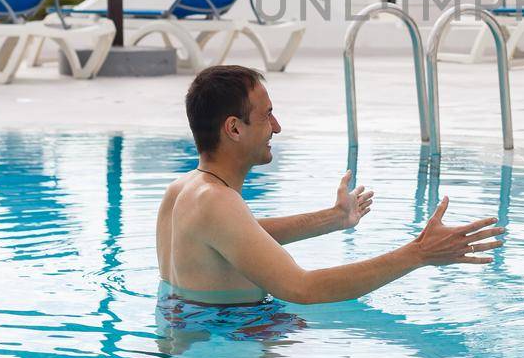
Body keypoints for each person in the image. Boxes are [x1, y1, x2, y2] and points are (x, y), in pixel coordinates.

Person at [157, 65, 504, 307]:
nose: (276, 127)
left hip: (200, 336)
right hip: (222, 354)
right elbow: (303, 288)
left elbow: (241, 236)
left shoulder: (185, 190)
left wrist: (334, 218)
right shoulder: (216, 202)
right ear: (234, 128)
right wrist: (419, 253)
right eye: (266, 115)